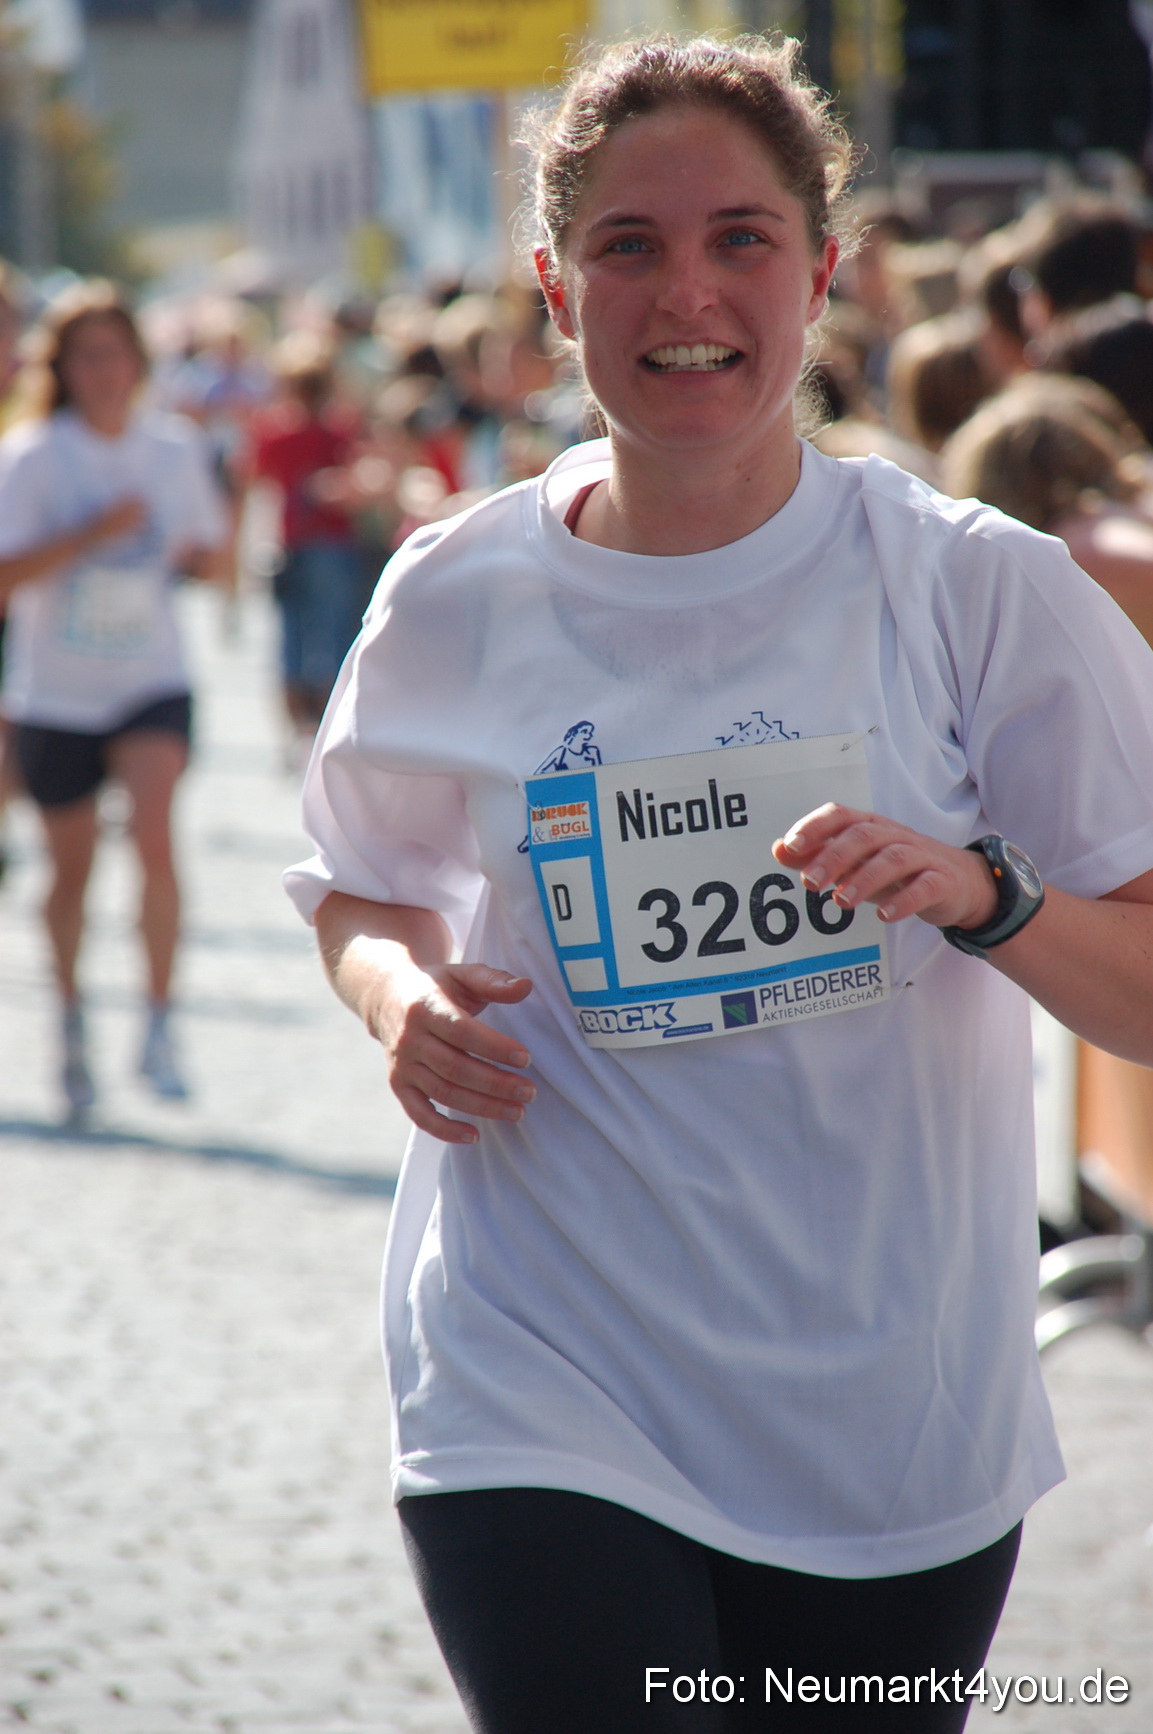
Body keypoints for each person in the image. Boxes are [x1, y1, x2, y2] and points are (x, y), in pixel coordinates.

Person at [284, 34, 1153, 1732]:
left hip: (885, 1407)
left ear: (821, 270)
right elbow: (358, 882)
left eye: (740, 236)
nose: (685, 287)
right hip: (538, 1366)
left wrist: (985, 896)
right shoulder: (454, 589)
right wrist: (399, 1000)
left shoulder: (978, 593)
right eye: (628, 243)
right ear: (554, 280)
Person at [0, 282, 228, 1112]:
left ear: (139, 360)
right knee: (70, 875)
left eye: (117, 353)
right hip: (55, 692)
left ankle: (161, 1021)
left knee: (157, 835)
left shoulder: (174, 449)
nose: (105, 371)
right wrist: (88, 537)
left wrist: (196, 561)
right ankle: (67, 1021)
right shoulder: (30, 456)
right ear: (60, 366)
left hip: (150, 681)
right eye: (86, 356)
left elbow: (209, 554)